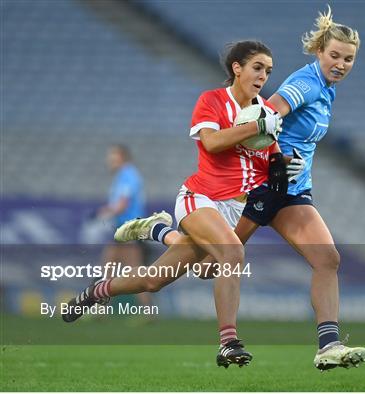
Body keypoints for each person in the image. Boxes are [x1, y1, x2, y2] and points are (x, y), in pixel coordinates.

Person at [62, 40, 283, 368]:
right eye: (257, 67)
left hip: (236, 208)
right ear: (237, 68)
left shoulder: (266, 112)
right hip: (201, 198)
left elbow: (272, 158)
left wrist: (282, 167)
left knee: (162, 278)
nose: (264, 75)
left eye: (268, 70)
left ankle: (101, 287)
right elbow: (210, 141)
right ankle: (228, 342)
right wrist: (254, 127)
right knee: (233, 253)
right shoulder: (212, 101)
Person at [93, 144, 153, 310]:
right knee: (112, 267)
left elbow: (122, 204)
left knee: (132, 271)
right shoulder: (124, 175)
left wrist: (101, 213)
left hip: (128, 229)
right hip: (123, 228)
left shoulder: (128, 175)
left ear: (123, 157)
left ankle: (147, 311)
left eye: (113, 157)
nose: (109, 161)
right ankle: (101, 309)